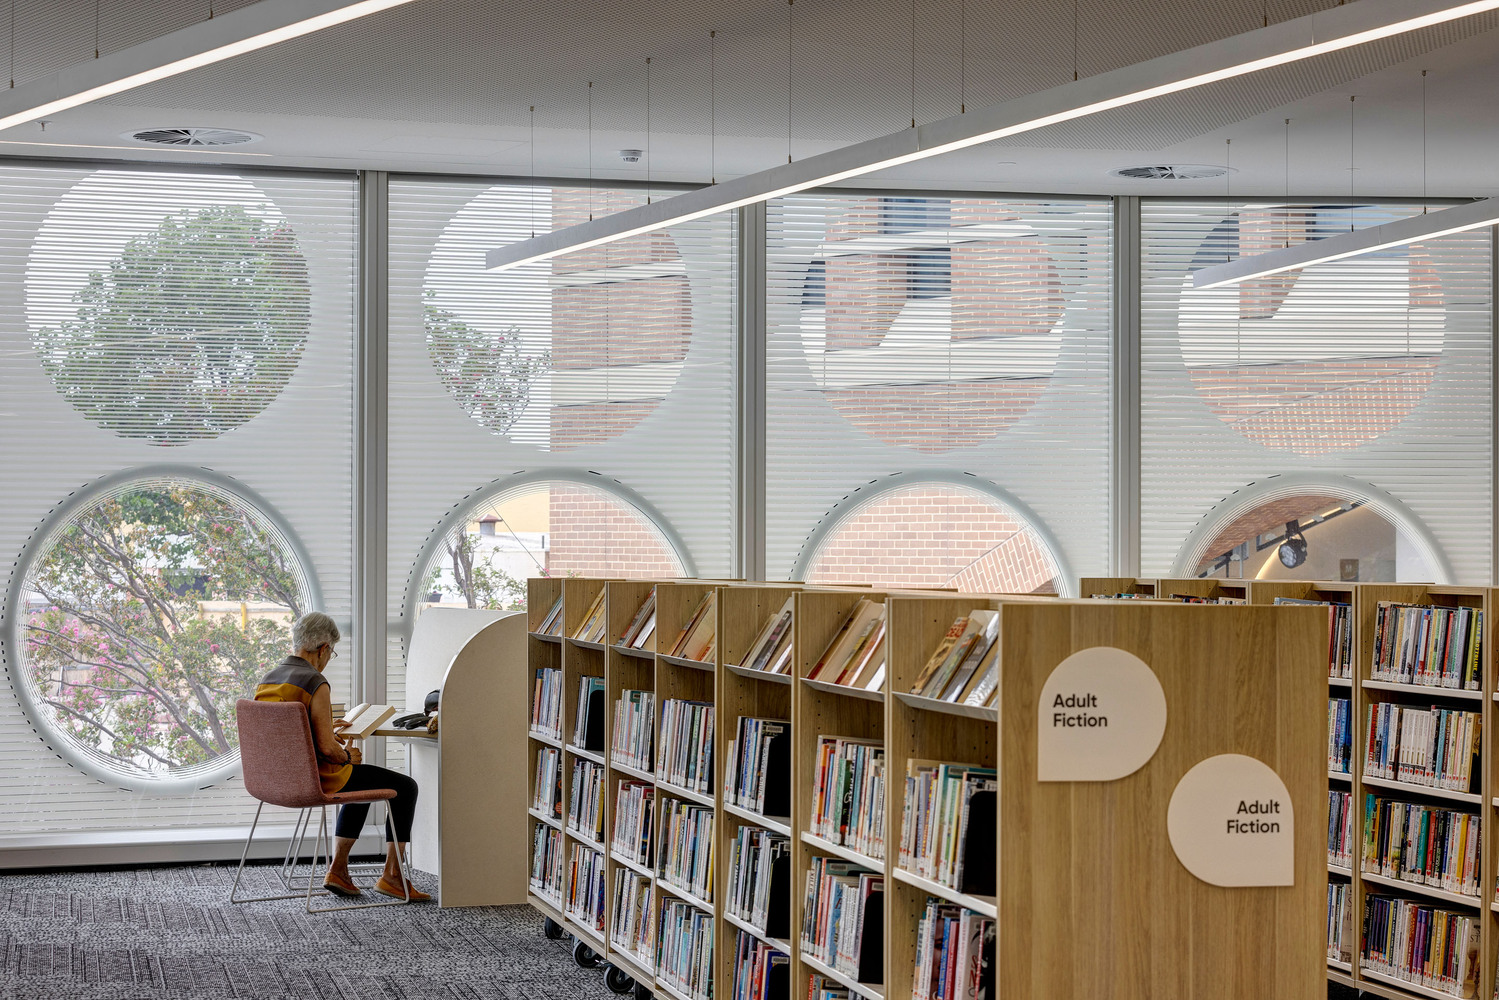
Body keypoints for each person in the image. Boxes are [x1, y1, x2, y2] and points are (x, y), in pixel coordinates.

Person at [254, 611, 430, 902]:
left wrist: (324, 727)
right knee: (405, 787)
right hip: (316, 781)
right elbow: (327, 750)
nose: (328, 659)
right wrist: (347, 755)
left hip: (278, 780)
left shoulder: (268, 680)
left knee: (361, 783)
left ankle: (338, 870)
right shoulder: (315, 681)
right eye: (331, 652)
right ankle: (392, 876)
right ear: (323, 648)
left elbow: (286, 736)